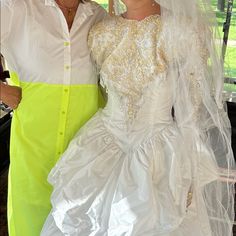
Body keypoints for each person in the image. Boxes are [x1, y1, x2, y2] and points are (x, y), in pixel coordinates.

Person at [41, 0, 235, 235]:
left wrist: (188, 168)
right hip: (104, 142)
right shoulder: (102, 33)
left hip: (158, 149)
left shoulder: (182, 32)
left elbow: (190, 109)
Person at [0, 0, 107, 235]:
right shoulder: (17, 7)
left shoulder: (98, 16)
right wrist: (3, 91)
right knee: (31, 223)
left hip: (82, 155)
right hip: (33, 153)